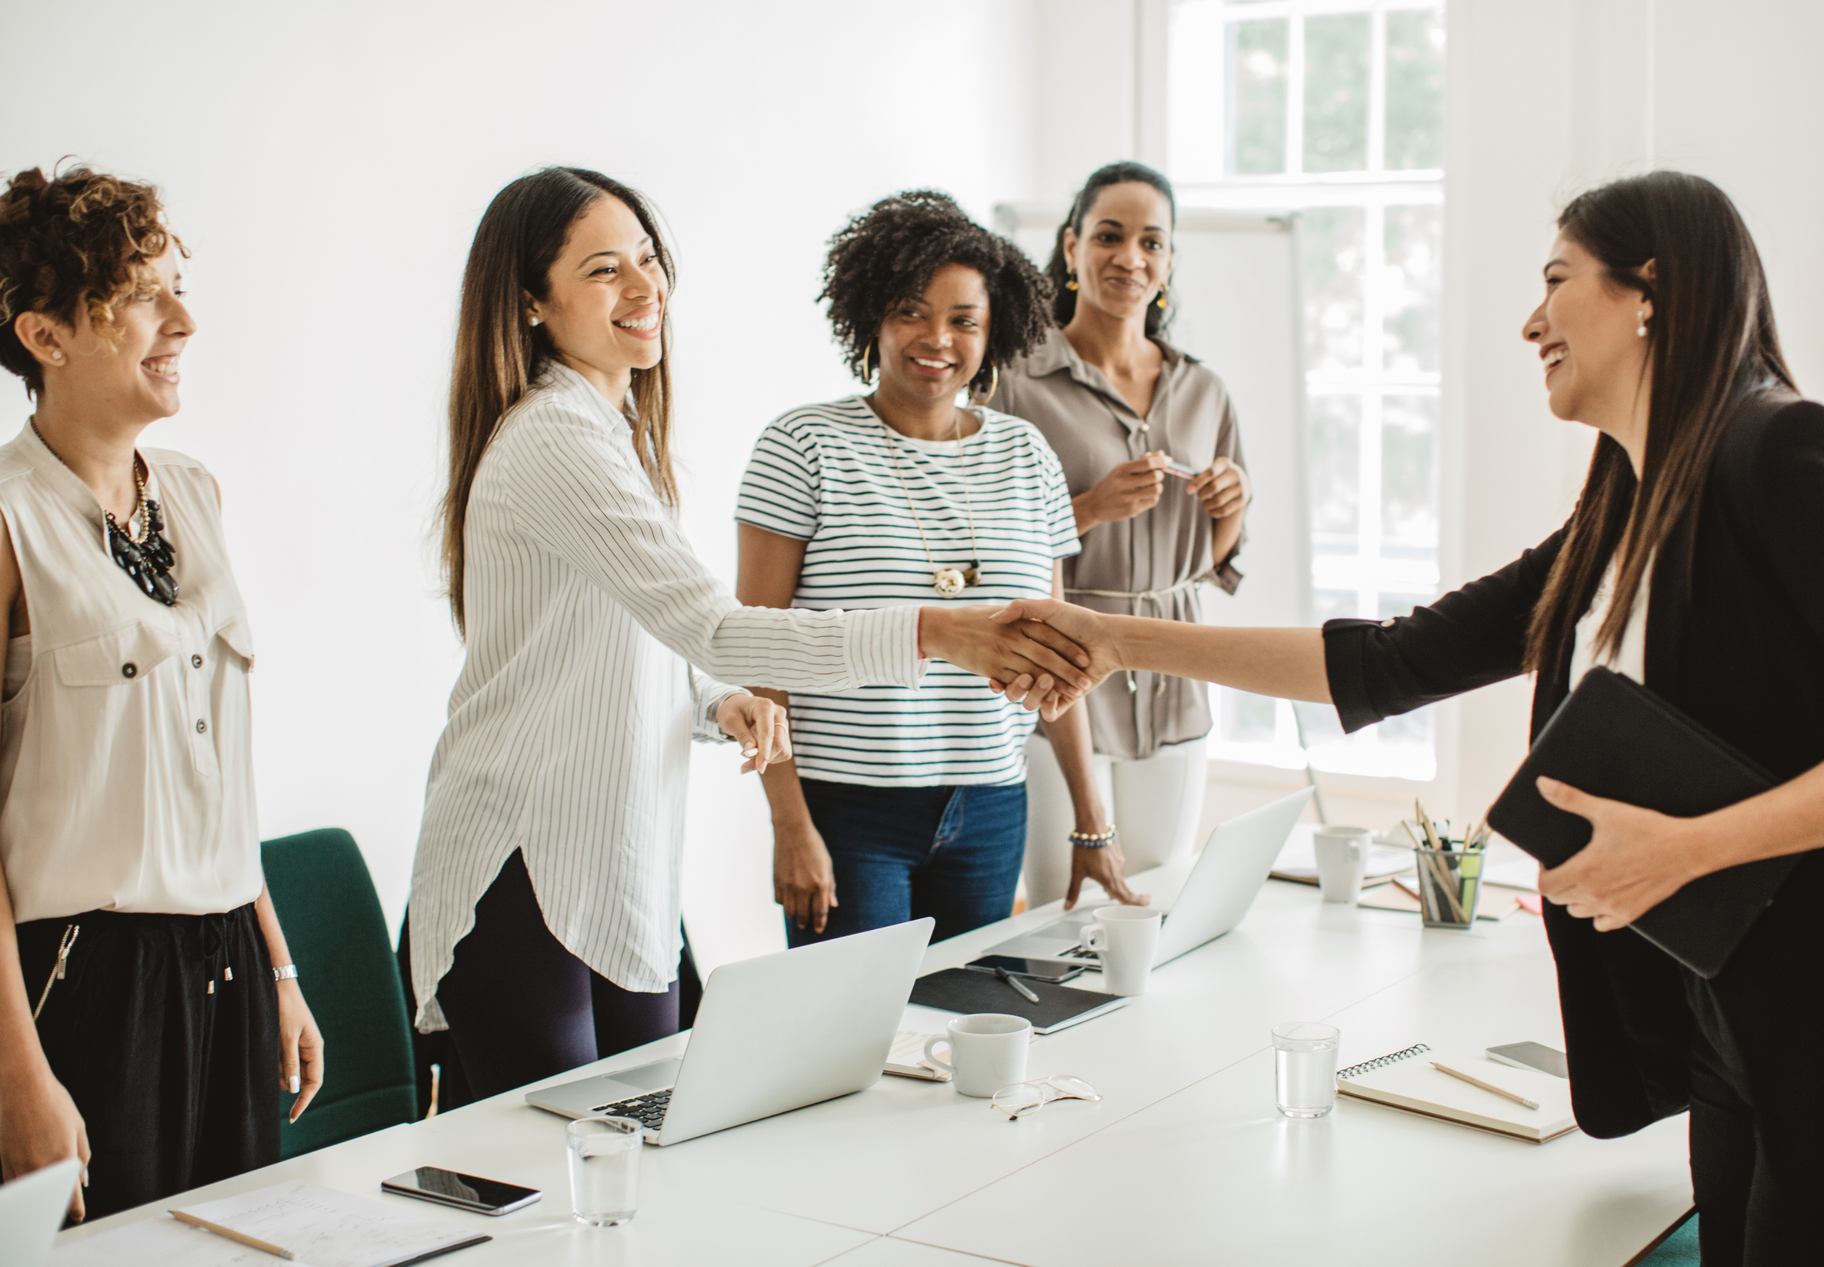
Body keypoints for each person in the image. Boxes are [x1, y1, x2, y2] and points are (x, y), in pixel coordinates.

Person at [991, 171, 1824, 1263]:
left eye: (1556, 283)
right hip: (1726, 1012)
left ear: (1649, 292)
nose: (1532, 323)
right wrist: (1115, 639)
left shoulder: (1785, 452)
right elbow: (1388, 661)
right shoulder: (1625, 498)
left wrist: (1687, 850)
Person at [407, 169, 1091, 1102]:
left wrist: (718, 703)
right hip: (523, 853)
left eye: (647, 259)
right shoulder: (557, 437)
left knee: (640, 1148)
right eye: (605, 269)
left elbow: (643, 648)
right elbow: (719, 625)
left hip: (615, 859)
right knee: (552, 1180)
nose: (646, 289)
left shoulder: (610, 433)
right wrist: (939, 632)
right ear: (532, 300)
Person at [0, 166, 323, 1221]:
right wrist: (18, 1077)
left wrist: (278, 968)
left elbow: (213, 769)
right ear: (44, 336)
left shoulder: (196, 491)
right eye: (143, 294)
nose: (183, 318)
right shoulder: (9, 523)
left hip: (227, 957)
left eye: (179, 285)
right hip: (87, 978)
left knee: (237, 1244)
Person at [735, 191, 1127, 945]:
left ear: (994, 329)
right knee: (854, 1042)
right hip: (848, 812)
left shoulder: (1026, 455)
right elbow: (757, 652)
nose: (936, 338)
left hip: (990, 808)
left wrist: (1091, 817)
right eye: (911, 311)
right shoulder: (803, 445)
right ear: (871, 316)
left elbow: (1061, 655)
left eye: (963, 320)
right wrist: (790, 823)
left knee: (966, 1034)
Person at [991, 162, 1250, 909]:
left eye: (1150, 242)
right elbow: (992, 544)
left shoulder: (1204, 389)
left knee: (1161, 894)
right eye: (1108, 235)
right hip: (1057, 665)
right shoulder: (1015, 382)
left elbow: (1218, 561)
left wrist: (1230, 506)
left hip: (1175, 672)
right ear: (1072, 247)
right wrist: (1092, 507)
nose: (1129, 257)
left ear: (1168, 262)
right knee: (1057, 903)